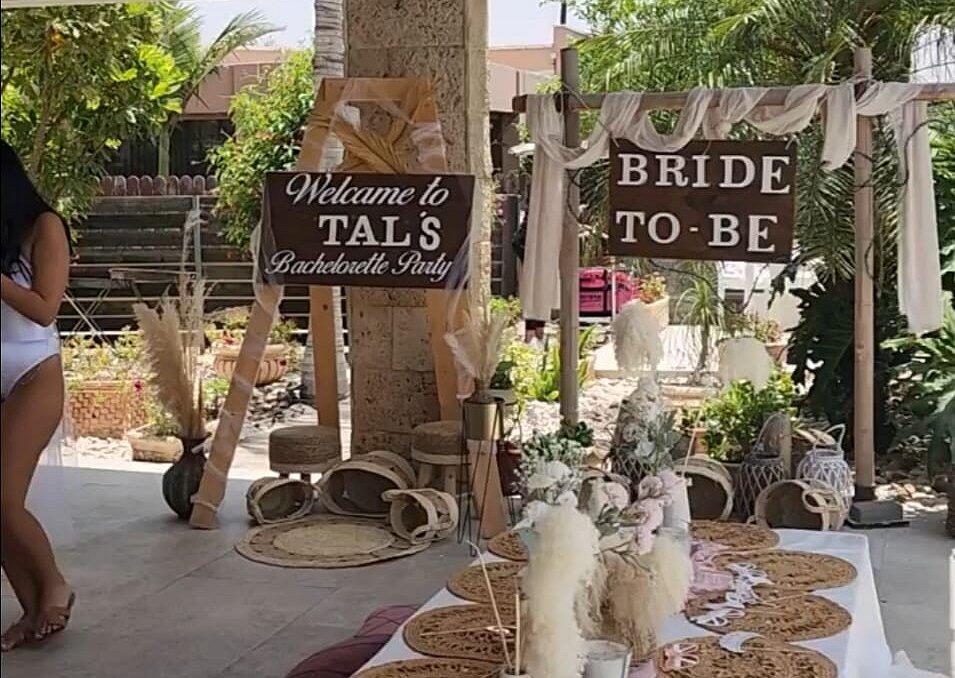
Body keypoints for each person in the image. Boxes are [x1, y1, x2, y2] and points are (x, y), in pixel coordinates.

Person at [0, 139, 74, 651]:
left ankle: (55, 586)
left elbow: (46, 309)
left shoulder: (45, 227)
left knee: (4, 498)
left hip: (33, 372)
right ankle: (31, 612)